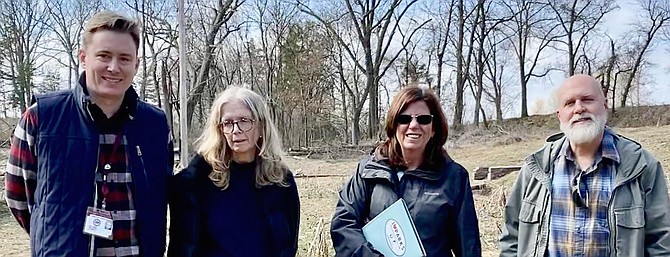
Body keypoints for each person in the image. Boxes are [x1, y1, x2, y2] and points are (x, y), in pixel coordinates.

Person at [4, 10, 173, 257]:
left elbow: (162, 195)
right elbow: (18, 196)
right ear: (84, 58)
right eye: (104, 56)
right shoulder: (42, 116)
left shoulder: (156, 125)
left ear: (136, 65)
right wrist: (55, 238)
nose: (114, 67)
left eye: (125, 58)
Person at [499, 74, 670, 257]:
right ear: (559, 115)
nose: (579, 108)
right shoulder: (536, 168)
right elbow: (511, 236)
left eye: (587, 99)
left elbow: (661, 242)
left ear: (604, 105)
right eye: (569, 103)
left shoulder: (641, 166)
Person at [330, 85, 482, 257]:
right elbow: (343, 223)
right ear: (394, 125)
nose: (414, 125)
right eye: (405, 119)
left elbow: (468, 247)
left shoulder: (454, 178)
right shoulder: (368, 170)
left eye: (423, 119)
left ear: (433, 129)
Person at [167, 86, 300, 257]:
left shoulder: (281, 180)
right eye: (228, 123)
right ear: (220, 130)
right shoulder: (195, 181)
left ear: (260, 126)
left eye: (244, 120)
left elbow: (289, 245)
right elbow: (182, 248)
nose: (236, 129)